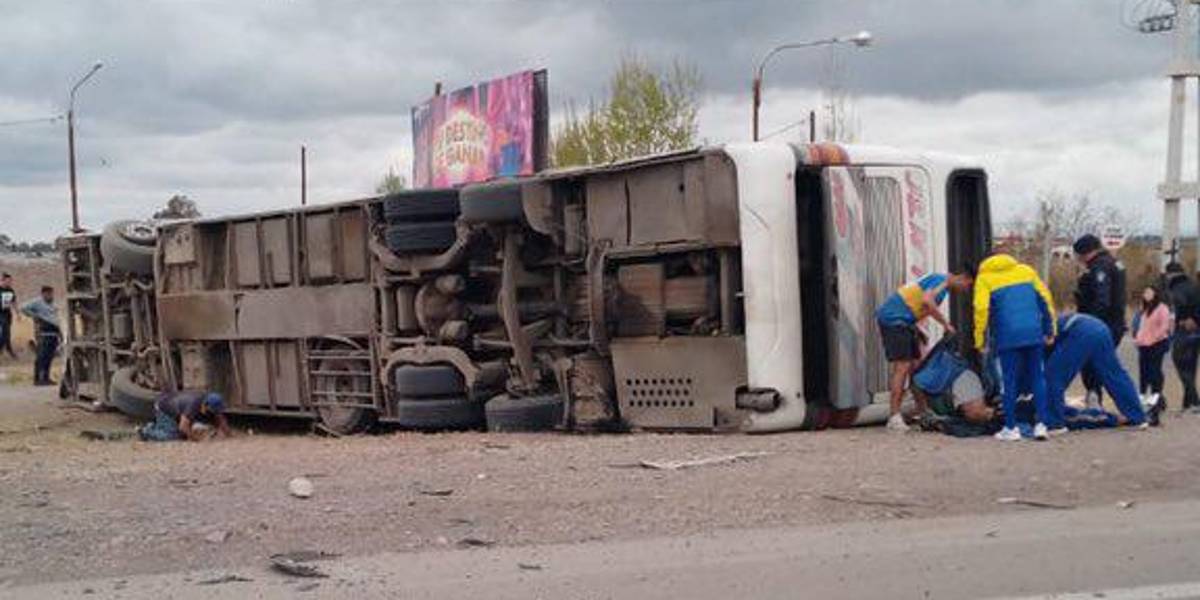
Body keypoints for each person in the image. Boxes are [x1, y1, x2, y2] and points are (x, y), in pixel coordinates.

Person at [874, 266, 975, 432]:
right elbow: (928, 301)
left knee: (916, 368)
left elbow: (917, 303)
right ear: (963, 278)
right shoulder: (941, 280)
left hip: (906, 323)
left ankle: (923, 412)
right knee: (903, 367)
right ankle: (894, 417)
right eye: (968, 285)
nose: (966, 290)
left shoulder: (943, 286)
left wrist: (919, 329)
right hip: (894, 320)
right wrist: (945, 324)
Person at [973, 253, 1056, 441]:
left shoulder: (984, 278)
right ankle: (1041, 425)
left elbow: (981, 310)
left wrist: (980, 341)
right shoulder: (1026, 271)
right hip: (1034, 333)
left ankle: (1011, 428)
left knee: (1009, 381)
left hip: (1007, 336)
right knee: (1038, 377)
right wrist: (1050, 330)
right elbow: (1045, 299)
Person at [1045, 311, 1150, 429]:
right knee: (1114, 374)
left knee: (1054, 375)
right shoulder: (1047, 322)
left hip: (1080, 330)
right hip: (1099, 327)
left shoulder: (1038, 336)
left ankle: (1054, 422)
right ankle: (1137, 416)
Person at [1072, 234, 1127, 408]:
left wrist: (1090, 323)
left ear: (1086, 253)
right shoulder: (1115, 263)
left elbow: (1102, 300)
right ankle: (1118, 401)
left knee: (1091, 363)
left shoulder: (1100, 267)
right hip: (1114, 323)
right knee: (1105, 363)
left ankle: (1095, 396)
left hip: (1102, 324)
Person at [1164, 262, 1200, 412]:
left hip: (1184, 328)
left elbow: (1181, 304)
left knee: (1179, 361)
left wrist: (1189, 318)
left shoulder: (1176, 288)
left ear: (1170, 274)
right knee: (1190, 365)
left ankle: (1195, 400)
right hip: (1196, 330)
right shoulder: (1193, 284)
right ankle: (1187, 403)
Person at [1133, 285, 1172, 411]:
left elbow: (1164, 326)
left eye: (1149, 292)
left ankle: (1157, 399)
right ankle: (1143, 398)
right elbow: (1140, 326)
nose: (1147, 294)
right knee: (1143, 372)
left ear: (1156, 294)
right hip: (1143, 345)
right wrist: (1138, 339)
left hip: (1157, 344)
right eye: (1145, 292)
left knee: (1155, 371)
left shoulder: (1162, 308)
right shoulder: (1143, 310)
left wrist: (1154, 338)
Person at [138, 390, 231, 442]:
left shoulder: (209, 400)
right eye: (213, 410)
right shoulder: (194, 404)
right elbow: (183, 426)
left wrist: (228, 434)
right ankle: (145, 431)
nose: (215, 412)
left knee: (191, 430)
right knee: (174, 436)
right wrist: (195, 440)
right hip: (164, 407)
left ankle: (157, 426)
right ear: (206, 405)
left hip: (177, 408)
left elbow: (220, 417)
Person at [19, 286, 60, 386]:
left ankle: (46, 377)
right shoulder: (37, 302)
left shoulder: (53, 304)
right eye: (49, 294)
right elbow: (23, 308)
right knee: (41, 356)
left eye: (52, 293)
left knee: (49, 357)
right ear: (43, 294)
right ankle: (38, 379)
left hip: (53, 333)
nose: (51, 296)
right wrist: (35, 316)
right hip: (43, 333)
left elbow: (55, 318)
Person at [0, 273, 16, 360]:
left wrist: (17, 313)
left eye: (10, 281)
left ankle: (8, 349)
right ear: (2, 280)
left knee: (7, 333)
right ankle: (4, 348)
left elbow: (14, 301)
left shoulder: (10, 290)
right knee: (4, 330)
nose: (10, 282)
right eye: (8, 281)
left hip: (7, 313)